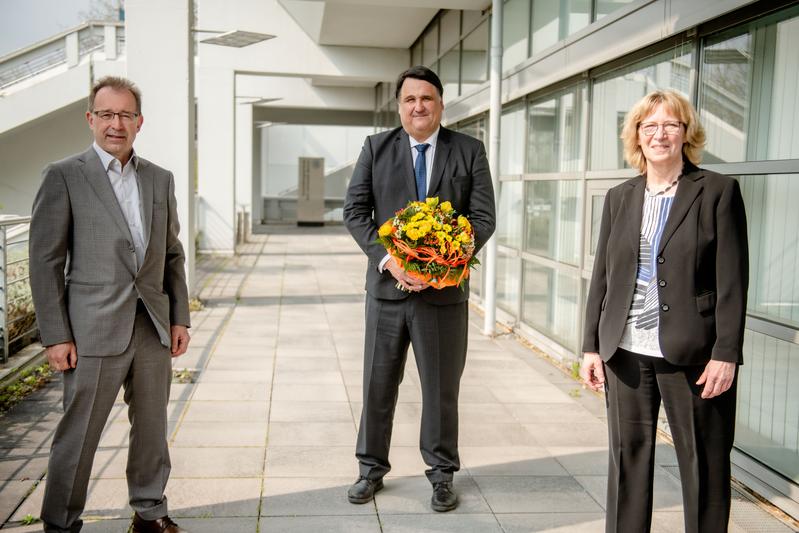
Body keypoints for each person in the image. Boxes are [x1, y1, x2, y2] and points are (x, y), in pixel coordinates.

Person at [580, 89, 748, 533]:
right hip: (625, 351)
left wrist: (726, 352)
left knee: (704, 465)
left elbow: (732, 282)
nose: (660, 134)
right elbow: (602, 277)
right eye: (649, 126)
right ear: (636, 135)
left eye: (670, 124)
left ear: (686, 133)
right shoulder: (619, 196)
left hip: (694, 354)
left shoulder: (717, 191)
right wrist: (590, 347)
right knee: (628, 460)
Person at [29, 76, 191, 533]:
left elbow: (172, 253)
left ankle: (149, 511)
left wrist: (179, 317)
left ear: (139, 122)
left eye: (125, 115)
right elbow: (44, 261)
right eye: (106, 114)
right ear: (90, 119)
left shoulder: (160, 179)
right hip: (91, 330)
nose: (115, 124)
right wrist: (55, 334)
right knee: (78, 434)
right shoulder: (63, 175)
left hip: (152, 326)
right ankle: (60, 522)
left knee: (152, 430)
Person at [343, 66, 495, 512]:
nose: (418, 107)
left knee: (441, 389)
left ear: (441, 103)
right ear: (399, 106)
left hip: (443, 297)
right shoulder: (376, 148)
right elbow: (355, 211)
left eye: (426, 98)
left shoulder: (469, 150)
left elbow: (483, 218)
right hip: (387, 294)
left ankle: (442, 474)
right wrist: (390, 260)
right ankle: (370, 469)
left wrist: (445, 264)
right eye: (410, 99)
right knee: (377, 383)